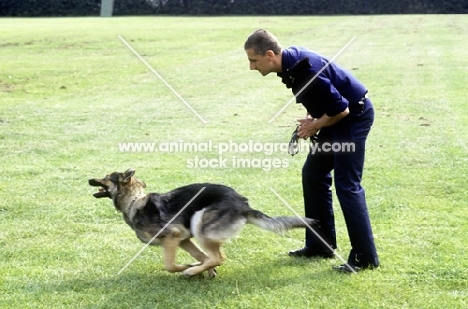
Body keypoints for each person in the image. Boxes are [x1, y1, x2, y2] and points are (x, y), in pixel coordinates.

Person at [244, 29, 379, 273]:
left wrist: (313, 126)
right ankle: (320, 245)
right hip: (334, 117)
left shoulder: (304, 70)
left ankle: (365, 258)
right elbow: (319, 98)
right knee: (313, 175)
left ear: (270, 55)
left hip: (352, 117)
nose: (251, 67)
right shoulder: (290, 64)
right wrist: (312, 116)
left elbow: (342, 109)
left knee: (347, 185)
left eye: (254, 60)